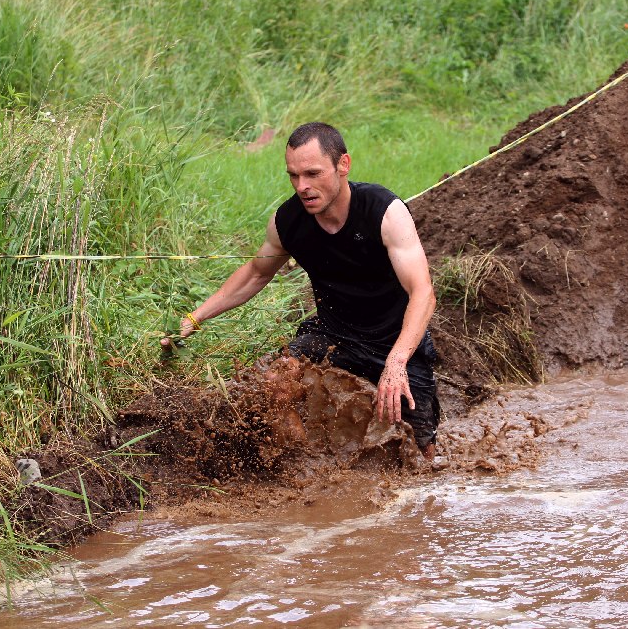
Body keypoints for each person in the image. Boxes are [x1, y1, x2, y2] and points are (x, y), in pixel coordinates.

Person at [162, 122, 440, 458]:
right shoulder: (288, 221)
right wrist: (195, 317)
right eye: (293, 175)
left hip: (393, 344)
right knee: (271, 384)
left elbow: (423, 291)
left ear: (343, 165)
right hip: (332, 337)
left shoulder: (384, 212)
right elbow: (255, 273)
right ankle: (292, 467)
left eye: (312, 173)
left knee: (420, 454)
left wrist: (396, 362)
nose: (302, 186)